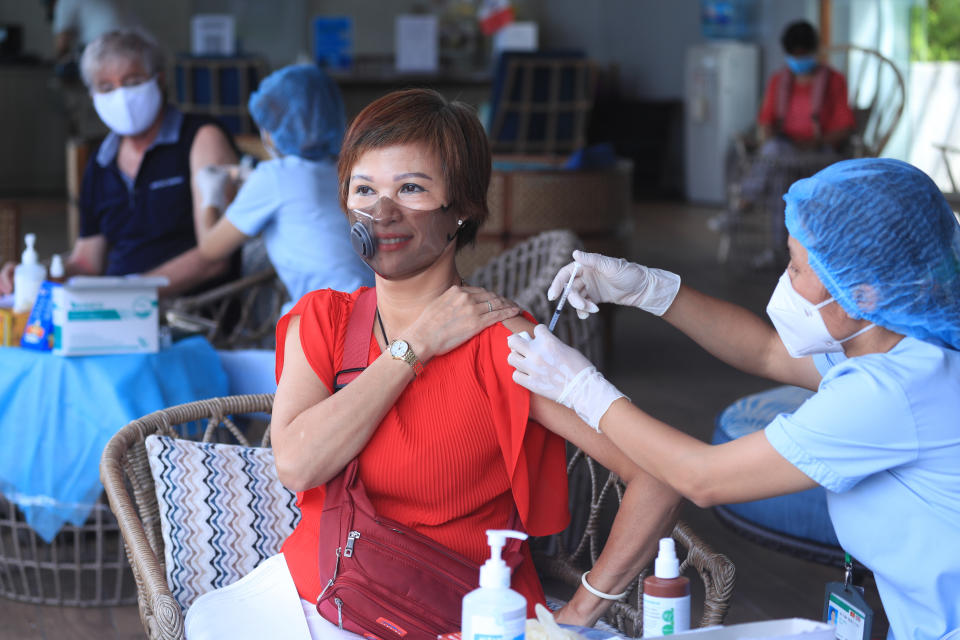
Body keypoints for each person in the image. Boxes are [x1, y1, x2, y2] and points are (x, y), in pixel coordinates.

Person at [185, 88, 680, 639]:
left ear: (463, 208)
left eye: (412, 188)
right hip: (313, 596)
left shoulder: (506, 344)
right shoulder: (322, 321)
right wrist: (415, 345)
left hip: (457, 616)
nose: (382, 212)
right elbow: (298, 465)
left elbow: (661, 473)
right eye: (364, 189)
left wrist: (579, 613)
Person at [508, 158, 960, 640]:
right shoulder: (902, 344)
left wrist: (582, 388)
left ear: (864, 295)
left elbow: (701, 478)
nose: (786, 280)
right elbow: (766, 352)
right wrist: (649, 289)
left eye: (798, 267)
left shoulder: (888, 392)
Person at [0, 29, 239, 298]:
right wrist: (35, 274)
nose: (121, 96)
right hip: (116, 309)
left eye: (133, 81)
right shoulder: (102, 163)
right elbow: (87, 262)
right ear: (93, 96)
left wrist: (133, 291)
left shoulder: (201, 139)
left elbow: (217, 255)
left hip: (190, 312)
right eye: (106, 87)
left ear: (158, 80)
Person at [194, 64, 373, 311]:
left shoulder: (273, 178)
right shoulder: (346, 170)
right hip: (373, 308)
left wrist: (210, 194)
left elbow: (210, 249)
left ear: (271, 131)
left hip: (332, 317)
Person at [729, 20, 857, 269]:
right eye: (794, 55)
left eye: (804, 54)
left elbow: (844, 127)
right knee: (778, 161)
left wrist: (814, 141)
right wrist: (770, 136)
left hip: (820, 152)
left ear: (814, 51)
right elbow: (766, 122)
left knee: (776, 159)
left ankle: (743, 203)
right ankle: (780, 252)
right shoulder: (780, 81)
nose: (799, 60)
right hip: (785, 150)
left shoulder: (833, 81)